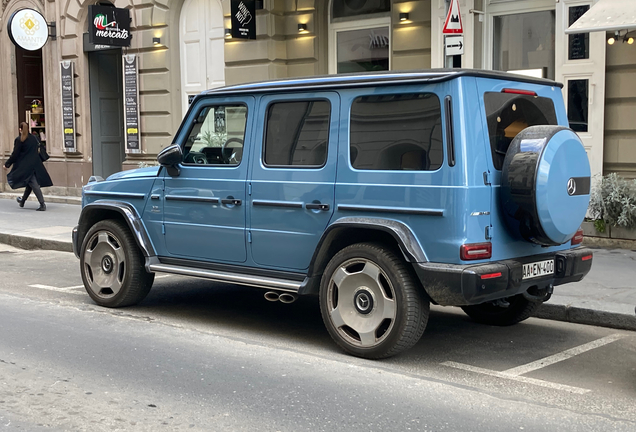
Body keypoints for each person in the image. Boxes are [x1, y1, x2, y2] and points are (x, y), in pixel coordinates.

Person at [3, 122, 53, 211]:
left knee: (34, 184)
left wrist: (7, 164)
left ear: (20, 129)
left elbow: (15, 154)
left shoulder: (19, 140)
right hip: (35, 165)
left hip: (25, 167)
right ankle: (22, 201)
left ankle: (42, 204)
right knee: (30, 184)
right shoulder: (34, 138)